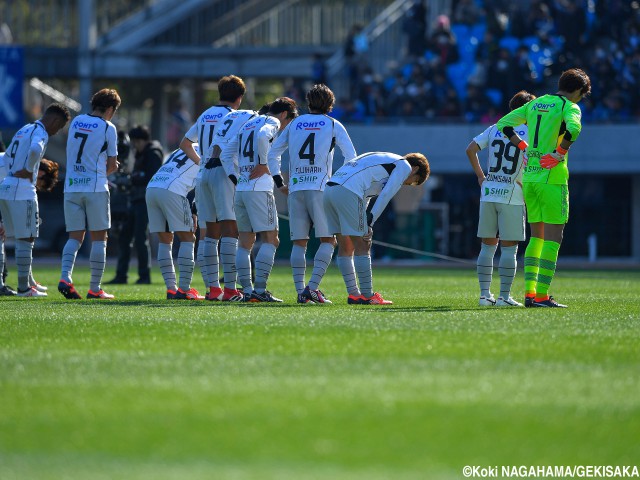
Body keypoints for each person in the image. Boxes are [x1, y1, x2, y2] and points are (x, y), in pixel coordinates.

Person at [496, 68, 591, 308]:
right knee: (553, 237)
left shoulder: (536, 104)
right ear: (579, 90)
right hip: (552, 179)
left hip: (530, 179)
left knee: (536, 237)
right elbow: (574, 129)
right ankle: (542, 296)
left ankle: (529, 293)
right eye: (582, 94)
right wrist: (559, 153)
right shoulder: (568, 106)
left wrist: (524, 146)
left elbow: (504, 124)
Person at [268, 84, 357, 304]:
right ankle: (312, 288)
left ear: (309, 103)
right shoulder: (334, 124)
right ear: (330, 104)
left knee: (300, 243)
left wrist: (280, 182)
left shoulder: (295, 123)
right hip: (320, 188)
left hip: (296, 187)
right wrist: (339, 183)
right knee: (328, 241)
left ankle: (301, 292)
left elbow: (272, 154)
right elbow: (351, 157)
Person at [179, 75, 253, 302]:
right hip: (223, 173)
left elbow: (184, 143)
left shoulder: (205, 114)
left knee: (209, 233)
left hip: (204, 175)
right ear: (239, 98)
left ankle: (213, 289)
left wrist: (201, 161)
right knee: (231, 229)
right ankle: (230, 288)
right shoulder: (236, 116)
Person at [323, 151, 430, 304]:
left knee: (346, 245)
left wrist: (366, 219)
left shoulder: (384, 159)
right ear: (415, 169)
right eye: (414, 182)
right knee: (364, 243)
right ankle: (367, 296)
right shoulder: (404, 166)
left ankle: (354, 294)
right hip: (348, 191)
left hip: (330, 189)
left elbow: (366, 195)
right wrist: (370, 222)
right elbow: (386, 195)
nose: (408, 184)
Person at [221, 97, 298, 302]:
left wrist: (234, 177)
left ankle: (246, 291)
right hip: (259, 189)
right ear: (283, 115)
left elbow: (226, 154)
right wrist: (264, 163)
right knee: (272, 239)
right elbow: (264, 137)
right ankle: (260, 289)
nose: (286, 127)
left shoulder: (249, 123)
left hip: (243, 188)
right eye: (288, 121)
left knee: (245, 242)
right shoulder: (271, 122)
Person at [466, 90, 536, 307]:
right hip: (512, 194)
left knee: (487, 246)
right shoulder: (530, 131)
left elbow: (470, 149)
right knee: (509, 247)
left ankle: (484, 295)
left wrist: (480, 176)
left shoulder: (495, 127)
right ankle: (504, 297)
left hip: (488, 193)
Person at [0, 103, 70, 297]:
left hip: (6, 185)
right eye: (60, 127)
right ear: (55, 121)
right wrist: (30, 169)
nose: (57, 131)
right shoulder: (41, 133)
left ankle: (25, 284)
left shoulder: (25, 128)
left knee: (6, 237)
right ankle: (24, 288)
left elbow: (6, 158)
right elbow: (34, 149)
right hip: (21, 189)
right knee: (27, 237)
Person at [58, 89, 120, 300]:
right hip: (95, 187)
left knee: (74, 237)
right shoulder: (108, 127)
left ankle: (65, 277)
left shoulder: (76, 121)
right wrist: (111, 167)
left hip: (72, 186)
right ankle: (95, 288)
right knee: (99, 238)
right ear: (110, 109)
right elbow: (111, 165)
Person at [108, 125, 164, 284]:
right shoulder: (141, 153)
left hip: (145, 201)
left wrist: (132, 179)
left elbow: (151, 177)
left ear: (142, 140)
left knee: (140, 238)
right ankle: (121, 275)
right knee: (125, 237)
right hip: (135, 200)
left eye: (136, 142)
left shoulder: (152, 153)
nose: (134, 145)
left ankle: (144, 276)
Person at [146, 145, 202, 300]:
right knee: (188, 238)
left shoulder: (183, 147)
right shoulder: (211, 149)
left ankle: (172, 289)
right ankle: (184, 290)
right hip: (172, 190)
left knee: (165, 241)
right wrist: (195, 211)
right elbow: (204, 183)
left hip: (152, 186)